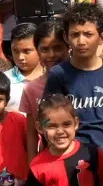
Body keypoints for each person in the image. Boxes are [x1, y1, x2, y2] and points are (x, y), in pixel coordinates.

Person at [42, 4, 103, 152]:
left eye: (88, 34)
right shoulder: (58, 74)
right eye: (75, 34)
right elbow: (49, 116)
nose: (81, 41)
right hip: (72, 152)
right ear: (66, 37)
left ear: (102, 37)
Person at [19, 20, 70, 154]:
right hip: (48, 158)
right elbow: (32, 135)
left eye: (57, 48)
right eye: (45, 49)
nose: (51, 55)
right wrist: (32, 163)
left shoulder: (79, 80)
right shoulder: (31, 89)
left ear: (68, 47)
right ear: (37, 51)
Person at [7, 22, 41, 110]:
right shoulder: (4, 80)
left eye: (27, 51)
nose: (20, 57)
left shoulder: (53, 77)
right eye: (15, 51)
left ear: (40, 48)